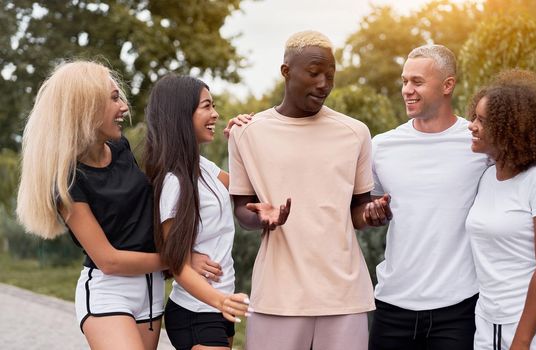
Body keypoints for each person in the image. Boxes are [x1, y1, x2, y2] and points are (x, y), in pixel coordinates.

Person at [367, 45, 536, 350]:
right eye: (404, 81)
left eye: (417, 82)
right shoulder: (382, 146)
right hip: (396, 303)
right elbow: (362, 208)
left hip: (460, 308)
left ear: (448, 85)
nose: (407, 90)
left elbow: (531, 170)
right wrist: (370, 211)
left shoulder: (480, 141)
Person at [227, 30, 390, 350]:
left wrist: (370, 214)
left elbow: (355, 211)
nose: (323, 84)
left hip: (344, 296)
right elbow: (241, 209)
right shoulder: (247, 133)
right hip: (278, 295)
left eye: (330, 75)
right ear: (286, 71)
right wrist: (262, 217)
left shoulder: (355, 133)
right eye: (314, 74)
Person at [16, 61, 166, 349]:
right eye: (113, 98)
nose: (123, 106)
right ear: (84, 108)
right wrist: (176, 260)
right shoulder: (68, 181)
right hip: (109, 292)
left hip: (151, 289)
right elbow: (108, 260)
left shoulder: (121, 150)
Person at [465, 69, 536, 349]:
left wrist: (522, 340)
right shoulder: (485, 176)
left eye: (482, 121)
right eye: (474, 117)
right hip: (488, 324)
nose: (472, 126)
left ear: (509, 128)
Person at [143, 75, 254, 350]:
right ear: (181, 115)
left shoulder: (203, 167)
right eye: (206, 106)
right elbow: (178, 264)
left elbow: (248, 185)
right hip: (196, 311)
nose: (215, 114)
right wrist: (221, 301)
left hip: (217, 308)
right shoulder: (174, 183)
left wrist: (241, 139)